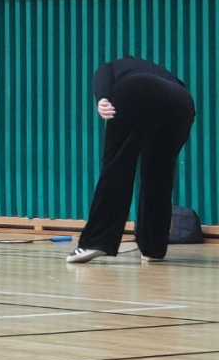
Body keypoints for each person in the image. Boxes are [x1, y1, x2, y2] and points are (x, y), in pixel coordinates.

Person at [67, 57, 195, 264]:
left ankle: (96, 241)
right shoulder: (165, 74)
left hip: (137, 89)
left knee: (118, 165)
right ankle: (153, 247)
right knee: (159, 174)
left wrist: (102, 98)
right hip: (183, 102)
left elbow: (102, 74)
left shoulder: (116, 66)